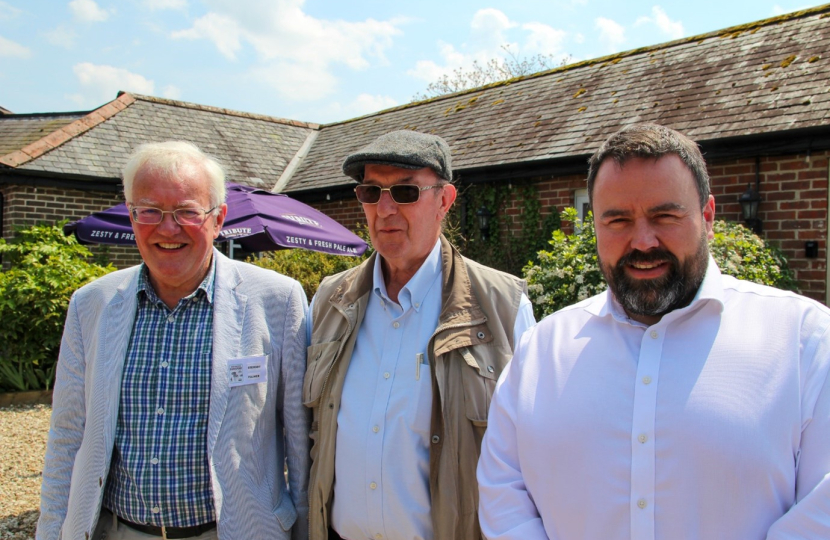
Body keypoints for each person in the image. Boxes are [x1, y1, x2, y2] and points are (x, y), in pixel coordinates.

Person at [477, 123, 830, 539]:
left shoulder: (805, 340)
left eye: (665, 215)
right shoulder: (541, 350)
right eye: (618, 220)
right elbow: (503, 493)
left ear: (708, 216)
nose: (643, 241)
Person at [37, 141, 310, 540]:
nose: (168, 228)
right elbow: (67, 436)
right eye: (149, 211)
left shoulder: (278, 300)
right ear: (132, 217)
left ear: (218, 220)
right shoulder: (90, 304)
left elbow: (300, 441)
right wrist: (50, 531)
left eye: (186, 211)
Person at [304, 130, 536, 540]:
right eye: (371, 192)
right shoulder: (329, 301)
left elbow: (532, 456)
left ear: (444, 201)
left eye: (405, 192)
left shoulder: (504, 306)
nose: (385, 208)